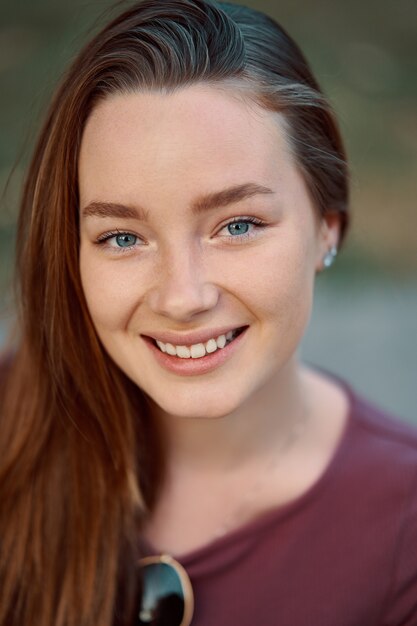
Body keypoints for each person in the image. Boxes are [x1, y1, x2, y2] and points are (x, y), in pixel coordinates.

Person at [0, 1, 416, 625]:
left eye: (238, 224)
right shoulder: (13, 421)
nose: (182, 297)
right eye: (122, 237)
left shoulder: (402, 531)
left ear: (327, 226)